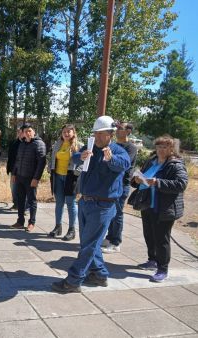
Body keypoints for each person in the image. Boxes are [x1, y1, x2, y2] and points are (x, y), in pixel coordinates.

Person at [51, 115, 130, 293]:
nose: (98, 137)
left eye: (102, 134)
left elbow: (124, 164)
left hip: (103, 206)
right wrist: (81, 155)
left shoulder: (118, 151)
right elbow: (75, 158)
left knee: (90, 245)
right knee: (88, 243)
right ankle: (99, 275)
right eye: (95, 133)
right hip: (85, 202)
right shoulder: (91, 147)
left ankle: (73, 280)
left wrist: (111, 160)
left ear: (111, 134)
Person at [132, 135, 188, 282]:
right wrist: (136, 179)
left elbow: (181, 184)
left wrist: (158, 182)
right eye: (159, 147)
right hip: (147, 205)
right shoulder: (151, 161)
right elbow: (141, 178)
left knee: (161, 239)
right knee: (149, 235)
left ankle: (163, 269)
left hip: (164, 208)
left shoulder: (176, 164)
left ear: (171, 149)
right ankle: (152, 260)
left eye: (165, 147)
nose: (161, 150)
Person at [102, 122, 138, 253]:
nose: (117, 130)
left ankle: (116, 242)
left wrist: (110, 159)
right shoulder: (114, 145)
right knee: (110, 212)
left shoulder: (131, 148)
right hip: (111, 183)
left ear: (128, 131)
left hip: (122, 184)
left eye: (120, 128)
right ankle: (110, 237)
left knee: (117, 213)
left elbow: (123, 164)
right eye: (116, 128)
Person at [48, 124, 83, 241]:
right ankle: (58, 227)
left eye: (69, 131)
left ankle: (72, 230)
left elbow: (84, 161)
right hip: (57, 176)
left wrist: (77, 172)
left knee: (71, 203)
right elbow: (52, 157)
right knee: (59, 203)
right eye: (64, 131)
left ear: (74, 132)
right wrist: (50, 167)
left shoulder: (79, 146)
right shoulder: (57, 144)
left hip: (70, 177)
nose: (66, 133)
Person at [10, 123, 46, 232]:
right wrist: (14, 174)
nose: (28, 133)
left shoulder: (39, 144)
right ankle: (20, 221)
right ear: (23, 133)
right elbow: (17, 160)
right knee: (20, 200)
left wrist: (36, 178)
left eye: (29, 131)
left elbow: (41, 163)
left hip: (31, 178)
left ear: (34, 131)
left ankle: (31, 223)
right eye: (25, 132)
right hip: (20, 176)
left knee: (31, 201)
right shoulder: (22, 144)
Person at [6, 127, 25, 210]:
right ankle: (15, 204)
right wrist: (9, 169)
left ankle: (23, 207)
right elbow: (10, 157)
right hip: (14, 170)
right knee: (13, 188)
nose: (19, 134)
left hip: (24, 171)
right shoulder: (13, 143)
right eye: (18, 132)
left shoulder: (27, 143)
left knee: (23, 190)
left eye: (21, 132)